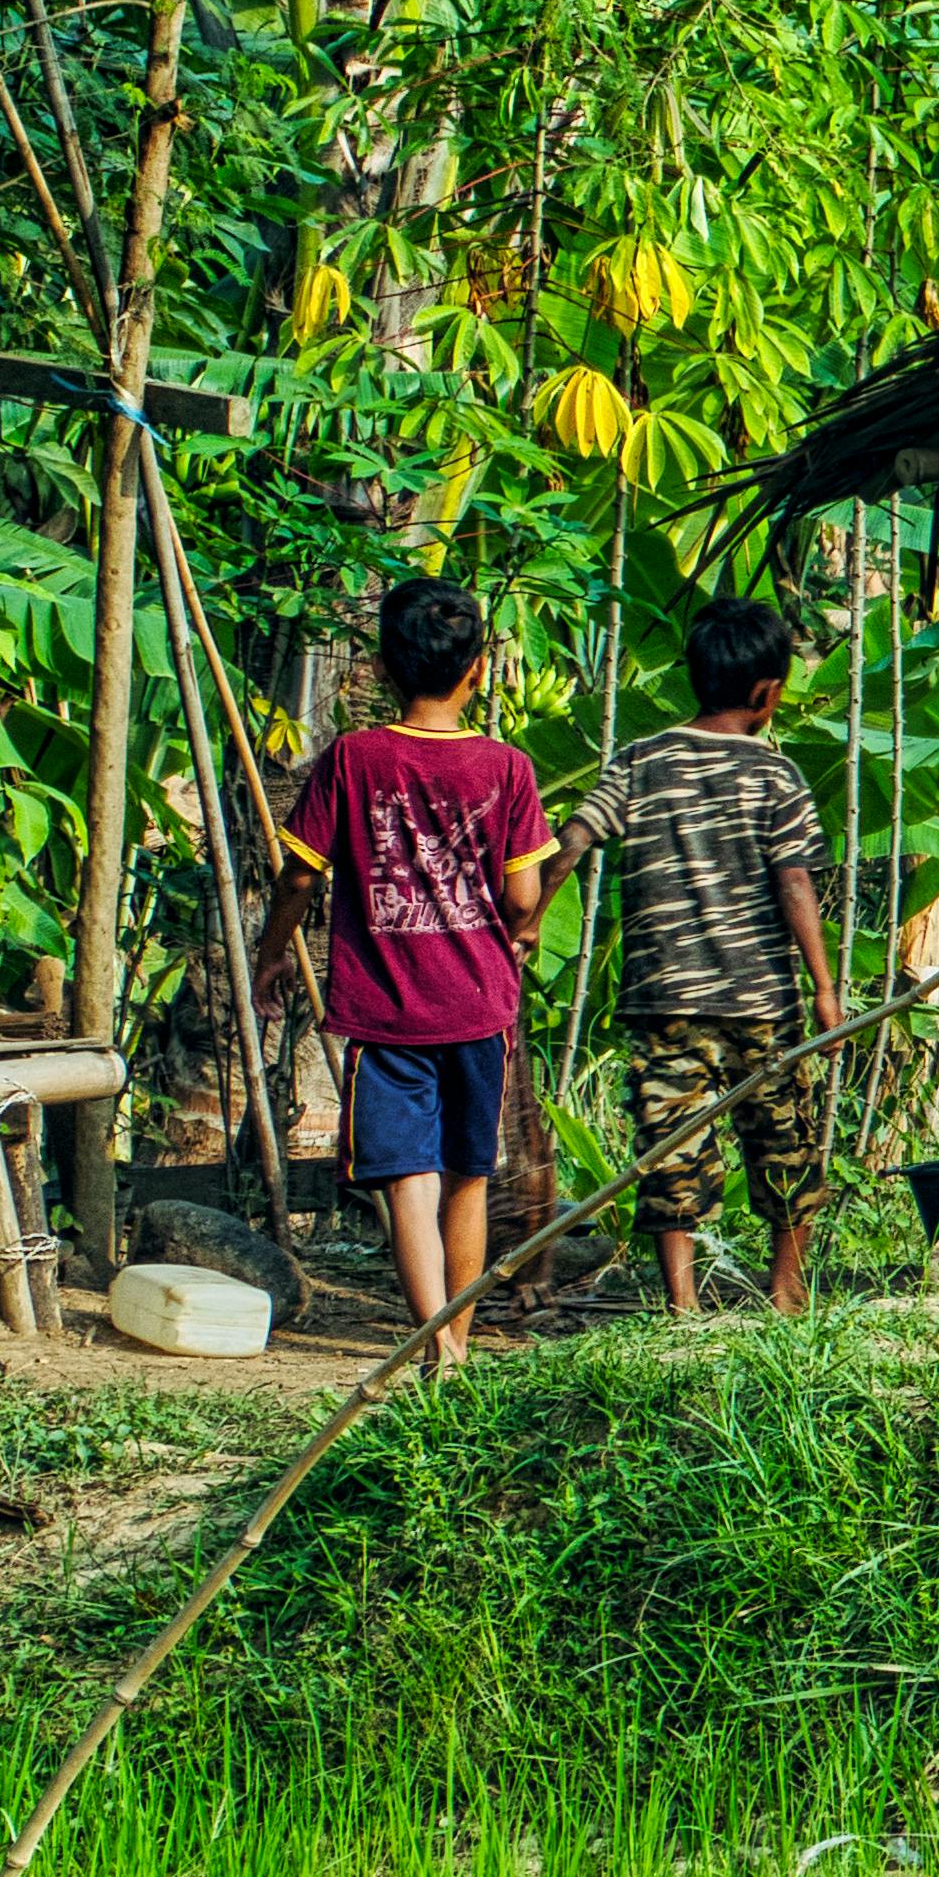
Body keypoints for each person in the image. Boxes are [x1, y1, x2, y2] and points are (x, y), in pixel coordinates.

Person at [259, 575, 548, 1373]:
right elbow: (524, 893)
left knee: (406, 1180)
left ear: (383, 668)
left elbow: (298, 878)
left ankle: (436, 1345)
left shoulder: (353, 759)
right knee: (468, 1175)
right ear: (479, 668)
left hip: (388, 1013)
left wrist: (272, 954)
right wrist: (520, 933)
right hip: (479, 1005)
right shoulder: (507, 768)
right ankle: (454, 1337)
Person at [541, 595, 840, 1314]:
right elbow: (795, 881)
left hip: (663, 995)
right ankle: (785, 1287)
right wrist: (824, 986)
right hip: (760, 998)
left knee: (670, 1144)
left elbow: (573, 842)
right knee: (785, 1143)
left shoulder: (639, 760)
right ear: (770, 691)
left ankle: (682, 1302)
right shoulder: (777, 777)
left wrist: (527, 920)